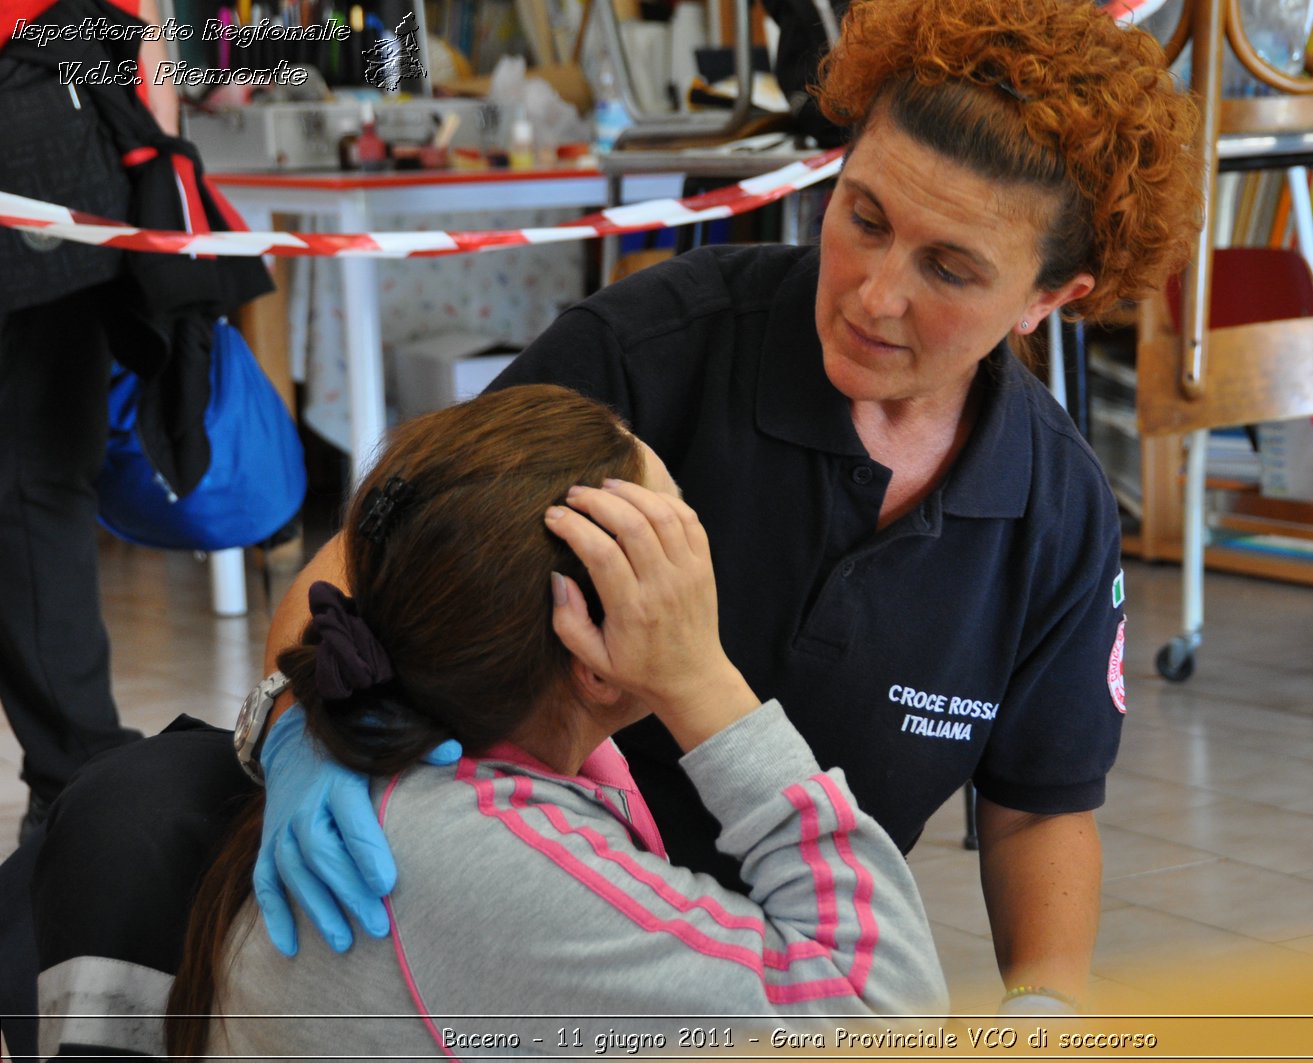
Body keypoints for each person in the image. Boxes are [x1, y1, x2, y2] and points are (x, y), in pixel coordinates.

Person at [249, 0, 1203, 1011]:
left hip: (781, 964)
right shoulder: (658, 351)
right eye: (864, 217)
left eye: (948, 268)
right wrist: (296, 725)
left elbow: (1037, 808)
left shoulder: (1051, 510)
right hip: (536, 926)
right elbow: (372, 554)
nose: (875, 296)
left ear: (1048, 297)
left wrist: (1046, 1007)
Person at [163, 384, 946, 1058]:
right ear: (591, 656)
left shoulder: (418, 736)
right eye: (668, 545)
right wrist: (707, 687)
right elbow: (888, 1018)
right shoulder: (484, 852)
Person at [0, 0, 175, 845]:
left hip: (54, 145)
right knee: (39, 483)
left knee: (39, 482)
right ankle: (74, 776)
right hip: (57, 148)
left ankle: (74, 775)